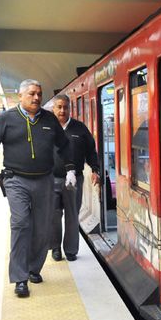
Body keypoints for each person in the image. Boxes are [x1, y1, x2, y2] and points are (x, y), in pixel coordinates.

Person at [0, 79, 78, 298]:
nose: (37, 98)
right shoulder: (6, 119)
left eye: (39, 94)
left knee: (42, 228)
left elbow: (64, 146)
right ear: (20, 96)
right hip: (16, 180)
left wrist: (71, 169)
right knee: (21, 224)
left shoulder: (49, 120)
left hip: (44, 180)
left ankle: (34, 268)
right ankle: (20, 278)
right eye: (32, 94)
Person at [49, 93, 100, 262]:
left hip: (75, 179)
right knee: (54, 216)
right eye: (59, 107)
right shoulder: (47, 127)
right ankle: (55, 247)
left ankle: (71, 250)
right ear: (53, 108)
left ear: (70, 108)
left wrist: (95, 169)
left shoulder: (80, 128)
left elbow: (91, 150)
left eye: (65, 107)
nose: (62, 110)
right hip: (51, 179)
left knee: (72, 215)